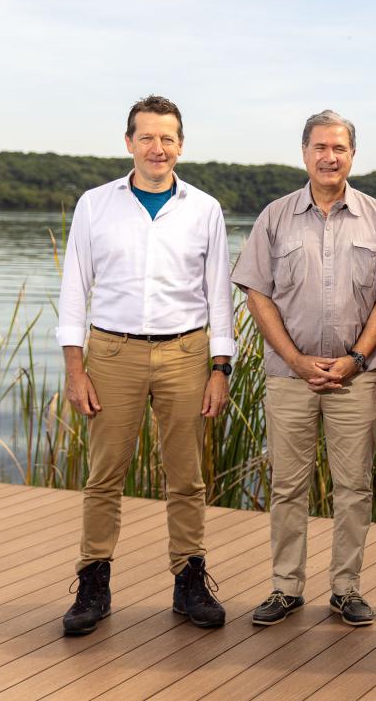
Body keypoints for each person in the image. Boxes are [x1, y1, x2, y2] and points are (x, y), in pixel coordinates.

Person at [57, 95, 235, 636]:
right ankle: (93, 583)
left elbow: (219, 292)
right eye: (147, 137)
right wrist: (75, 369)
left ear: (181, 145)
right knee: (104, 475)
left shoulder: (205, 209)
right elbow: (74, 289)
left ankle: (188, 580)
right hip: (113, 353)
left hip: (186, 353)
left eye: (167, 138)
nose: (158, 148)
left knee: (186, 477)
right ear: (129, 142)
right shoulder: (95, 205)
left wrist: (221, 367)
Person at [232, 110, 376, 628]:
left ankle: (346, 589)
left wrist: (356, 359)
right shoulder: (275, 217)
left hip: (356, 378)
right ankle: (285, 588)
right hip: (289, 377)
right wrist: (294, 358)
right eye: (320, 147)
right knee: (287, 487)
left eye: (339, 148)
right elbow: (257, 294)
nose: (329, 157)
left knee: (354, 487)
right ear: (304, 153)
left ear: (352, 155)